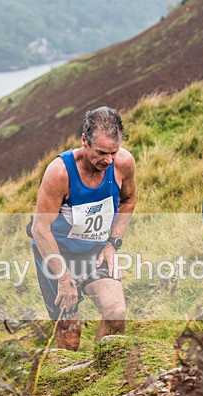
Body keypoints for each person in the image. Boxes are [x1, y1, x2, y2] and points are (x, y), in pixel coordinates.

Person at [30, 106, 136, 350]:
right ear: (84, 142)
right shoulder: (59, 173)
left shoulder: (123, 164)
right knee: (70, 337)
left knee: (116, 313)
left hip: (93, 252)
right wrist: (64, 277)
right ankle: (63, 383)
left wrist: (113, 243)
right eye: (101, 152)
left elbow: (128, 200)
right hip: (56, 253)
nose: (107, 160)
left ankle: (98, 376)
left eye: (113, 152)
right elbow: (40, 228)